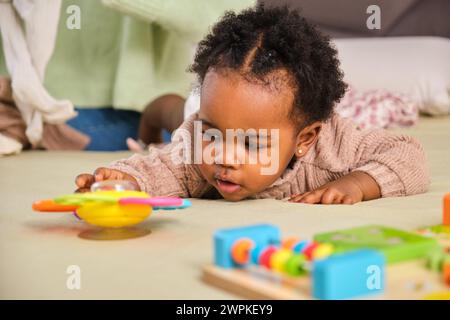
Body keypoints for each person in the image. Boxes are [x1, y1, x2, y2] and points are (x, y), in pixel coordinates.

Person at [74, 5, 429, 204]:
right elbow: (160, 170)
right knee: (168, 115)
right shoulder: (198, 148)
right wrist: (123, 180)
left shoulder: (335, 147)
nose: (224, 158)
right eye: (214, 136)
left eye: (251, 143)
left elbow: (409, 156)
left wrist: (358, 182)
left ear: (305, 139)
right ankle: (165, 111)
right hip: (190, 113)